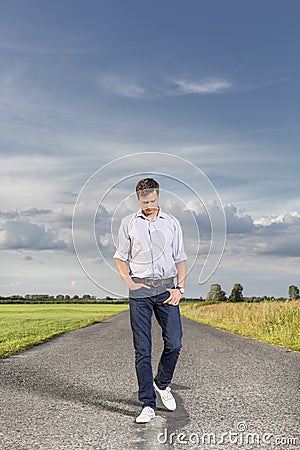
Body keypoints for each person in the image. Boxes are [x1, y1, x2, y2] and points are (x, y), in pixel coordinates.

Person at [113, 177, 187, 423]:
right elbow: (120, 258)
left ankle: (162, 383)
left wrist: (179, 288)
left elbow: (180, 258)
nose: (149, 205)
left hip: (166, 289)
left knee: (174, 343)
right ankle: (148, 404)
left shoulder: (172, 223)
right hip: (140, 292)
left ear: (158, 196)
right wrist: (131, 283)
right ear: (138, 199)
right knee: (142, 349)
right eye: (144, 202)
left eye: (153, 201)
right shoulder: (129, 223)